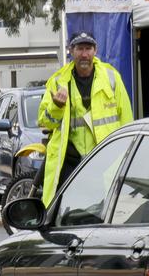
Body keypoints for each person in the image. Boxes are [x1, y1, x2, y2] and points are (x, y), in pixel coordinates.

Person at [38, 32, 134, 206]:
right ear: (71, 51)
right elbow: (45, 122)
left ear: (95, 50)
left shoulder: (111, 77)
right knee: (65, 213)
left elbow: (126, 119)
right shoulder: (58, 82)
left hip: (105, 161)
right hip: (71, 163)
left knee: (104, 213)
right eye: (79, 48)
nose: (84, 54)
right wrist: (56, 107)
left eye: (88, 48)